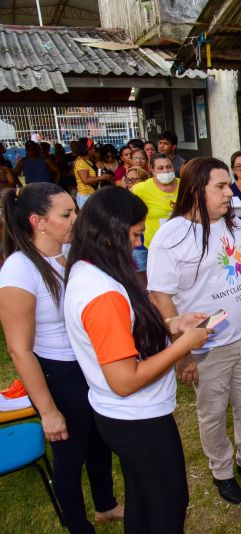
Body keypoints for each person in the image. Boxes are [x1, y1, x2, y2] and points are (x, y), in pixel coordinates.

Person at [63, 186, 209, 533]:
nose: (138, 244)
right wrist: (182, 345)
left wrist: (172, 323)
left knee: (144, 501)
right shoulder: (102, 293)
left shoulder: (89, 271)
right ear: (110, 233)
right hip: (137, 419)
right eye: (134, 235)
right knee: (167, 508)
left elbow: (125, 330)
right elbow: (125, 380)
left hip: (120, 415)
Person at [147, 157, 241, 505]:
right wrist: (184, 350)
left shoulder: (233, 222)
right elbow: (161, 296)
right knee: (213, 411)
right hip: (207, 346)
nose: (229, 192)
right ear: (194, 190)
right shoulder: (170, 237)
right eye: (220, 186)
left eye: (228, 185)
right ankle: (222, 471)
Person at [0, 183, 124, 533]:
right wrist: (49, 410)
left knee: (99, 440)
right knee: (69, 458)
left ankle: (106, 505)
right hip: (58, 374)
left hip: (87, 365)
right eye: (67, 214)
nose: (76, 219)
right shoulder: (18, 270)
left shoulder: (69, 254)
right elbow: (19, 349)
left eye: (75, 211)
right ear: (38, 221)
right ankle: (77, 526)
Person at [130, 152, 180, 279]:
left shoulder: (184, 185)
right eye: (160, 168)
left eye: (169, 167)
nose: (166, 171)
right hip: (155, 247)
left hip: (182, 245)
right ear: (152, 171)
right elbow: (124, 203)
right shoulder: (142, 188)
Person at [74, 138, 111, 209]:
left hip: (90, 194)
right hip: (85, 196)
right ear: (88, 150)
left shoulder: (88, 160)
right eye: (93, 147)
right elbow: (85, 180)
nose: (94, 149)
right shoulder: (80, 162)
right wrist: (103, 177)